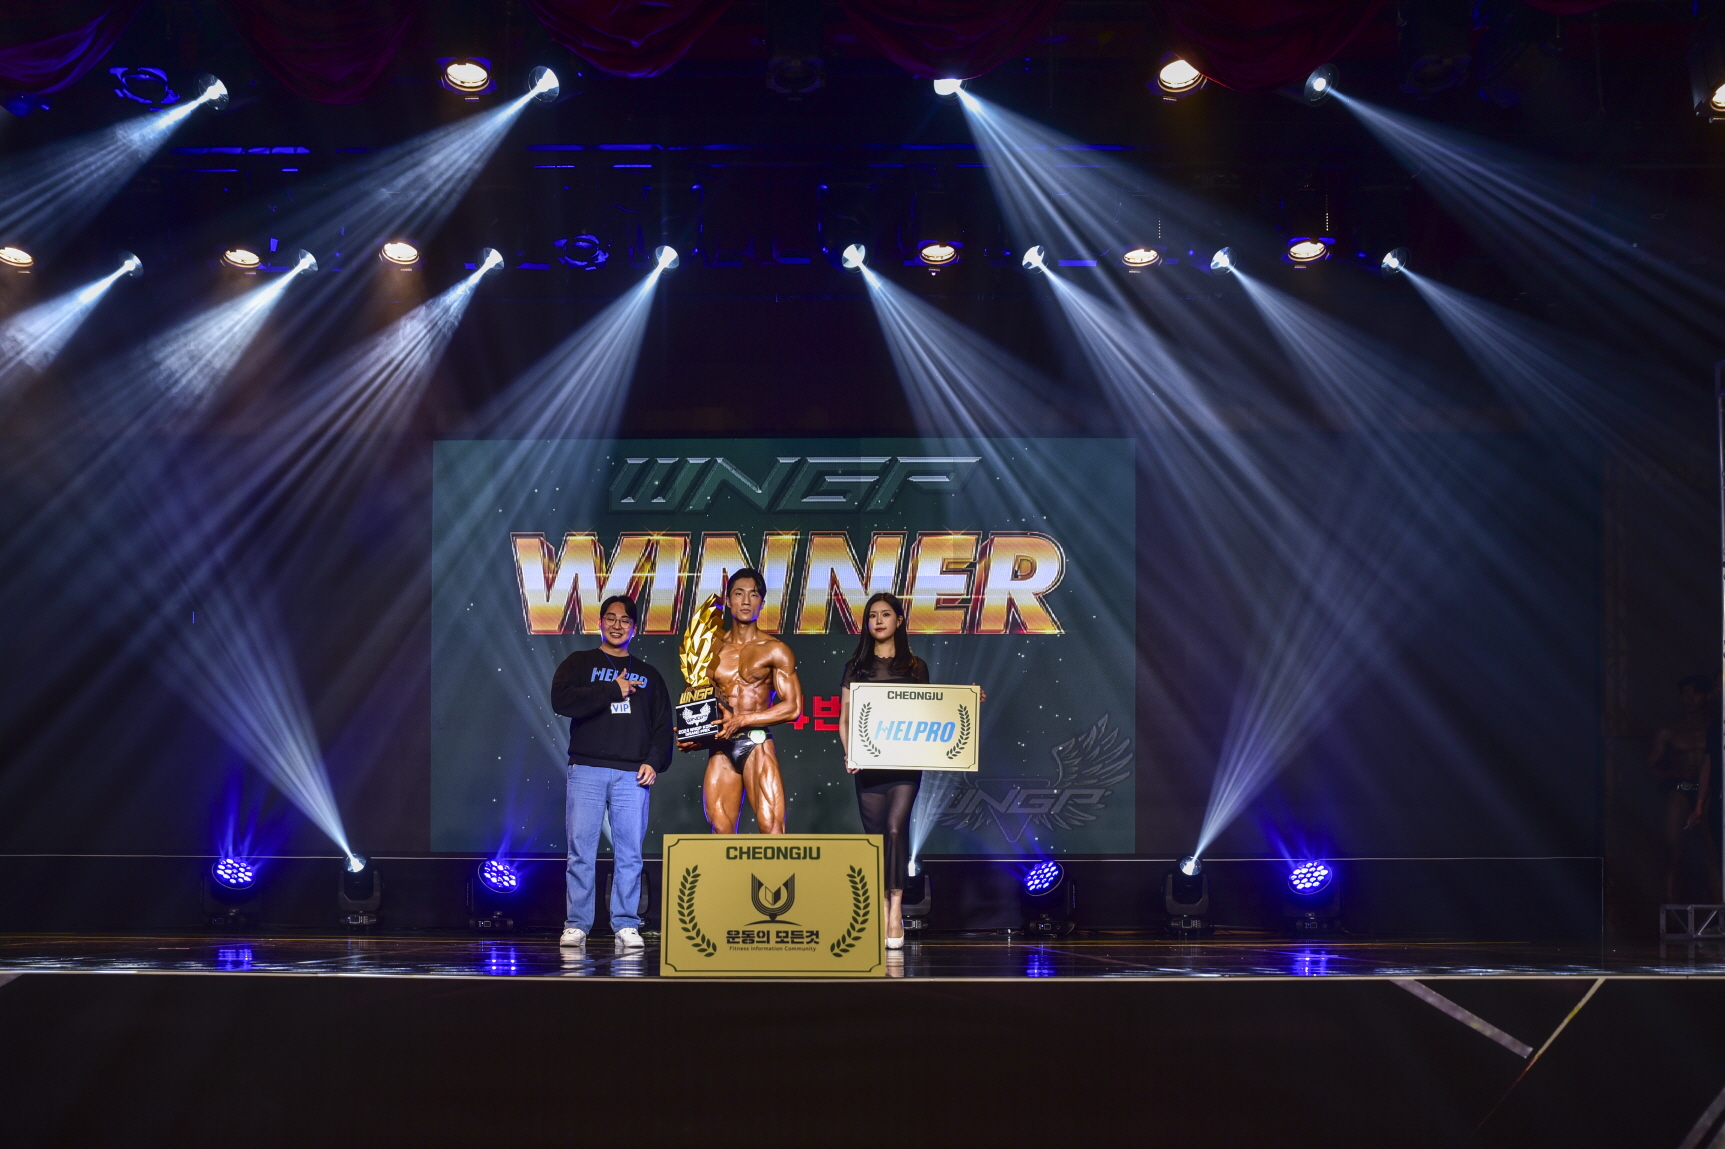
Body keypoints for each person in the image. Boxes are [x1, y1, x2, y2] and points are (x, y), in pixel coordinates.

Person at [550, 594, 672, 949]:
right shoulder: (579, 662)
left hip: (631, 774)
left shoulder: (649, 675)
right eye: (611, 618)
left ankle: (626, 923)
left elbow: (662, 726)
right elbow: (562, 700)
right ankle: (577, 924)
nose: (618, 625)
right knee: (580, 851)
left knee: (630, 852)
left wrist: (653, 761)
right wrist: (612, 689)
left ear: (635, 628)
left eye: (625, 620)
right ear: (600, 622)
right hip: (586, 768)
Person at [837, 592, 930, 950]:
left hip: (905, 765)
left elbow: (930, 711)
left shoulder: (915, 667)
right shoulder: (855, 668)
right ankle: (878, 908)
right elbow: (845, 719)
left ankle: (895, 911)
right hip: (869, 766)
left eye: (885, 614)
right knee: (876, 838)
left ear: (899, 620)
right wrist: (851, 752)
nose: (878, 621)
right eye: (872, 615)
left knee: (894, 829)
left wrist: (966, 700)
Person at [686, 567, 803, 834]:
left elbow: (793, 707)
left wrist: (742, 720)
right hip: (720, 746)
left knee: (771, 827)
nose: (746, 601)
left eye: (754, 594)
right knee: (721, 832)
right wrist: (693, 734)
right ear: (728, 600)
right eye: (739, 594)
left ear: (762, 602)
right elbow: (697, 702)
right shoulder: (709, 652)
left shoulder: (775, 650)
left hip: (756, 741)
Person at [1649, 674, 1719, 903]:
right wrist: (1676, 773)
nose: (1690, 698)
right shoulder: (1670, 729)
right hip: (1681, 790)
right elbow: (1650, 769)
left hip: (1710, 793)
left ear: (1707, 696)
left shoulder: (1716, 726)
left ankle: (1720, 913)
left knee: (1713, 857)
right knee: (1674, 856)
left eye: (1695, 693)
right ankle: (1671, 919)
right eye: (1685, 693)